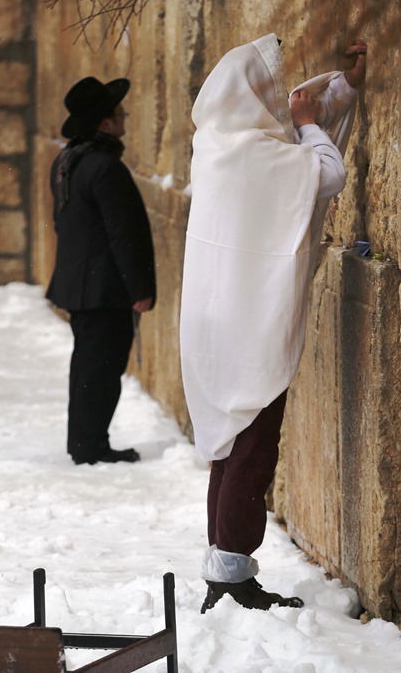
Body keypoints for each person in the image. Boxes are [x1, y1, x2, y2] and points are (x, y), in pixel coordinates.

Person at [180, 34, 367, 612]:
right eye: (265, 89)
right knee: (253, 448)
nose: (275, 101)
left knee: (229, 445)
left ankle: (225, 565)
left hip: (215, 322)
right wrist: (313, 123)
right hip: (246, 326)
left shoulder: (219, 141)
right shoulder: (256, 154)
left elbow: (296, 133)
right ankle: (232, 580)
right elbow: (324, 171)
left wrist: (343, 88)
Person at [47, 76, 157, 465]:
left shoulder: (68, 159)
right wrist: (140, 288)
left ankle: (86, 441)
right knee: (100, 370)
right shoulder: (103, 167)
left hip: (82, 285)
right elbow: (123, 234)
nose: (125, 116)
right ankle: (90, 445)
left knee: (89, 367)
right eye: (119, 113)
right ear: (105, 124)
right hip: (104, 290)